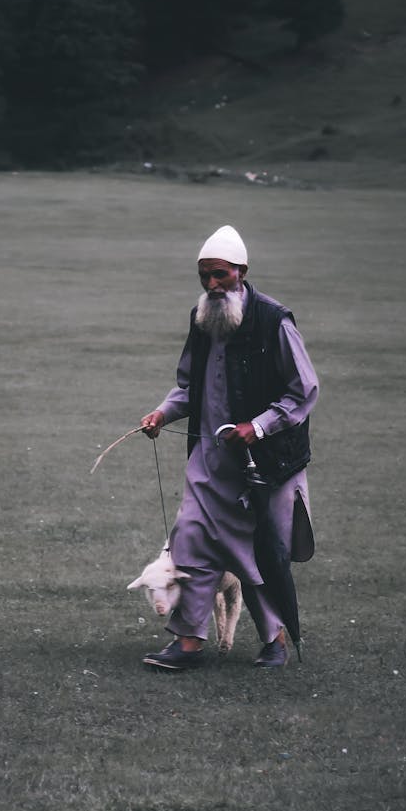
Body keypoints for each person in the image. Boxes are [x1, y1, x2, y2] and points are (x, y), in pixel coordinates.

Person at [139, 224, 318, 670]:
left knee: (255, 554)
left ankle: (274, 638)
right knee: (191, 539)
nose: (212, 285)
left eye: (220, 275)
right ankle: (188, 642)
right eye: (205, 276)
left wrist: (257, 427)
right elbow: (189, 387)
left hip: (265, 464)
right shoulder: (202, 320)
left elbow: (304, 390)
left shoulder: (275, 320)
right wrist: (162, 412)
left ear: (242, 271)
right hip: (208, 458)